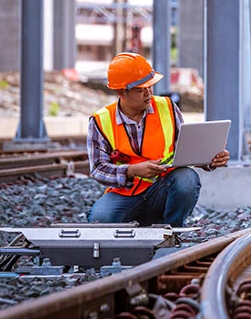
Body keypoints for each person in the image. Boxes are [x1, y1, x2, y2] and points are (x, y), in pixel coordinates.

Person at [87, 52, 230, 226]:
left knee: (186, 179)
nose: (148, 93)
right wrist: (132, 171)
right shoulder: (100, 121)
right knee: (99, 219)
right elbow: (98, 169)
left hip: (163, 188)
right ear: (121, 92)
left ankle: (172, 231)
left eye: (150, 86)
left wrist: (210, 159)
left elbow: (186, 151)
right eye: (141, 89)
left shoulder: (167, 108)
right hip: (125, 193)